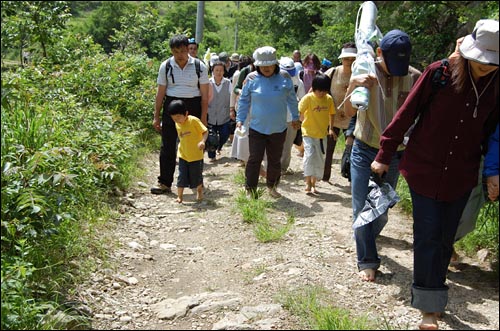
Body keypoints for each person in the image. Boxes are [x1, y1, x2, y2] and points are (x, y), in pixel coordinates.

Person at [370, 19, 498, 330]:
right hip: (425, 167)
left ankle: (433, 292)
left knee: (444, 238)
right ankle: (429, 306)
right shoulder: (439, 73)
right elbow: (407, 113)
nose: (485, 67)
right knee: (427, 235)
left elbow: (495, 131)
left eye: (491, 62)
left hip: (462, 172)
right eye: (480, 60)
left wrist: (492, 172)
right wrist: (384, 154)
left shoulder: (498, 85)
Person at [344, 30, 421, 282]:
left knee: (383, 207)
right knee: (362, 207)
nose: (397, 69)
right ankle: (366, 259)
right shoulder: (365, 70)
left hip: (396, 154)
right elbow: (345, 111)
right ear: (379, 53)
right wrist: (354, 86)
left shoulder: (415, 78)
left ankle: (365, 234)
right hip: (364, 148)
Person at [236, 46, 301, 198]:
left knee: (274, 160)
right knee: (254, 159)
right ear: (257, 66)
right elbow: (244, 100)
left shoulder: (285, 77)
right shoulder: (251, 79)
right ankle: (250, 189)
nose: (266, 68)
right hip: (257, 127)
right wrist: (240, 119)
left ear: (275, 64)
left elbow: (292, 99)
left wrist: (296, 118)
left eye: (269, 65)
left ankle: (272, 186)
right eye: (262, 65)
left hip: (278, 128)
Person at [151, 34, 209, 195]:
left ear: (188, 50)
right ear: (171, 51)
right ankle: (164, 182)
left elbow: (205, 95)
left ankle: (196, 182)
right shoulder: (166, 66)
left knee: (195, 146)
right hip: (171, 105)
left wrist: (204, 117)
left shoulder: (199, 66)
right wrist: (156, 115)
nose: (180, 55)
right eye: (176, 52)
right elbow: (160, 92)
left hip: (193, 106)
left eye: (183, 51)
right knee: (168, 145)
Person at [322, 42, 357, 183]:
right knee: (328, 149)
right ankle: (324, 177)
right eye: (347, 58)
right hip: (333, 117)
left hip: (353, 118)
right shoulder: (333, 72)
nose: (349, 61)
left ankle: (350, 177)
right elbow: (316, 88)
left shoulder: (361, 74)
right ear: (341, 59)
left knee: (351, 150)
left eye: (353, 58)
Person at [299, 73, 336, 195]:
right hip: (308, 133)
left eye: (324, 91)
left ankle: (314, 184)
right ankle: (307, 181)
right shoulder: (308, 98)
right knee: (309, 156)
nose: (321, 93)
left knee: (319, 159)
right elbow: (299, 110)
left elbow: (332, 114)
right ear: (314, 88)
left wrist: (331, 128)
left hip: (321, 135)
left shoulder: (329, 99)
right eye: (319, 91)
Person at [166, 100, 208, 203]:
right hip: (183, 155)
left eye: (179, 117)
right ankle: (180, 196)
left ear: (186, 113)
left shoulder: (193, 121)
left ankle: (199, 192)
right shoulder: (177, 124)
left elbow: (205, 131)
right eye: (174, 119)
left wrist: (202, 141)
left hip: (196, 155)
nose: (178, 121)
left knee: (196, 177)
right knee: (181, 176)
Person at [278, 56, 306, 174]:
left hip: (291, 118)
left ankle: (283, 168)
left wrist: (299, 118)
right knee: (275, 143)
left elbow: (303, 99)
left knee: (288, 145)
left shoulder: (298, 82)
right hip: (275, 117)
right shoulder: (272, 81)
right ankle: (273, 166)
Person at [207, 61, 233, 162]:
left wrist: (232, 110)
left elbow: (232, 97)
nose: (219, 72)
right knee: (211, 136)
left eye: (221, 70)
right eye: (216, 70)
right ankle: (212, 155)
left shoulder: (227, 83)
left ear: (224, 71)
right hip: (211, 115)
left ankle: (219, 146)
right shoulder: (208, 83)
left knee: (225, 134)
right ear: (212, 71)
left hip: (224, 115)